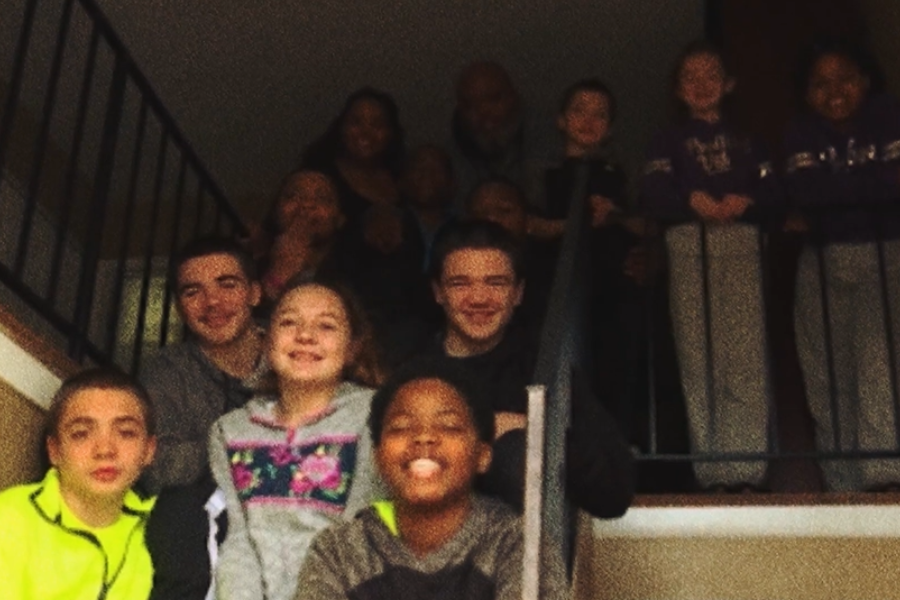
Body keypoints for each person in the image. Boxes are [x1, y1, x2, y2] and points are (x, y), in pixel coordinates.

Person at [294, 359, 566, 600]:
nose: (423, 437)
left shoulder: (517, 544)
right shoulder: (339, 551)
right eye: (401, 427)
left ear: (482, 455)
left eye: (448, 426)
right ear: (377, 458)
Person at [640, 41, 778, 491]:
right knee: (699, 355)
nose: (701, 86)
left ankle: (748, 470)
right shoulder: (667, 140)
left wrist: (748, 199)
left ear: (729, 84)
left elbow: (777, 190)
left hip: (739, 242)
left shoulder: (750, 139)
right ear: (678, 89)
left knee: (745, 353)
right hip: (688, 244)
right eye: (690, 78)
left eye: (711, 75)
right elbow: (653, 192)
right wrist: (690, 198)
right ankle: (713, 470)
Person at [425, 220, 634, 516]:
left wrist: (537, 429)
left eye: (496, 283)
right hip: (426, 547)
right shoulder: (411, 371)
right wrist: (480, 429)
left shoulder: (544, 370)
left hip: (518, 553)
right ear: (438, 292)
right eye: (460, 283)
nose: (479, 298)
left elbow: (614, 495)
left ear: (518, 293)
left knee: (515, 449)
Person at [209, 276, 384, 600]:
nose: (305, 336)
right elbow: (240, 540)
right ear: (266, 340)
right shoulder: (231, 430)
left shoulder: (376, 415)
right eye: (289, 322)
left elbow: (360, 532)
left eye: (326, 326)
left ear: (352, 347)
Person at [784, 40, 900, 491]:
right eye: (820, 83)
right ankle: (844, 484)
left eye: (845, 79)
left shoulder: (888, 113)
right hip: (822, 257)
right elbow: (803, 193)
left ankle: (886, 477)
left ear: (865, 80)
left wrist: (834, 192)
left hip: (887, 250)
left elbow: (893, 182)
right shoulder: (799, 132)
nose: (834, 91)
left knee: (880, 362)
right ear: (807, 92)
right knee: (827, 370)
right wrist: (865, 190)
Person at [0, 368, 157, 599]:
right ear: (54, 450)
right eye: (81, 434)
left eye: (125, 433)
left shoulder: (160, 530)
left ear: (149, 450)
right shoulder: (11, 518)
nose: (105, 450)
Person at [140, 236, 265, 494]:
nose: (212, 302)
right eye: (193, 292)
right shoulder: (167, 371)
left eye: (227, 285)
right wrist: (257, 448)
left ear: (254, 293)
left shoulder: (296, 356)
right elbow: (157, 469)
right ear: (178, 307)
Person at [450, 61, 547, 210]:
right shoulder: (451, 151)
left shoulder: (549, 132)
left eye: (494, 100)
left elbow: (541, 198)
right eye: (471, 105)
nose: (484, 112)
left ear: (513, 97)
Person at [256, 169, 347, 307]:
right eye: (293, 196)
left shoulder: (360, 271)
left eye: (322, 198)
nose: (307, 205)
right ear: (276, 211)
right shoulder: (249, 269)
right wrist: (277, 276)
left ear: (340, 218)